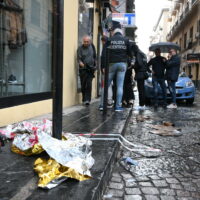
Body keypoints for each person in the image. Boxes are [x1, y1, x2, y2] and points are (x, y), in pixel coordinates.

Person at [99, 28, 132, 111]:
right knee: (119, 86)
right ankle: (117, 106)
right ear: (121, 33)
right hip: (122, 64)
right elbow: (130, 53)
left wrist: (103, 66)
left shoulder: (109, 39)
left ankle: (102, 105)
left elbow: (103, 54)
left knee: (106, 85)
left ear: (114, 33)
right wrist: (129, 63)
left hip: (111, 64)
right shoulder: (126, 40)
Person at [77, 35, 96, 106]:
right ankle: (84, 98)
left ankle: (87, 100)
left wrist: (95, 66)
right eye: (84, 42)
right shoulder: (80, 48)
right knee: (83, 84)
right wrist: (81, 63)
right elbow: (78, 59)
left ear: (90, 41)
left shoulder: (92, 47)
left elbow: (95, 57)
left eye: (87, 42)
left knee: (89, 84)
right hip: (83, 69)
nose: (85, 43)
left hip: (90, 69)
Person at [132, 44, 149, 110]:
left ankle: (141, 105)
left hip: (140, 73)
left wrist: (133, 66)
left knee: (141, 90)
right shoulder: (143, 54)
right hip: (143, 73)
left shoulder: (138, 54)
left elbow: (139, 64)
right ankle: (142, 104)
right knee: (142, 89)